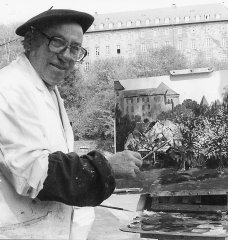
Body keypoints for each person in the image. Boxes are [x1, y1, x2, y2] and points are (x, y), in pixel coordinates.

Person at [0, 8, 142, 240]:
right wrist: (107, 166)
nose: (66, 55)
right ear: (32, 40)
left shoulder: (48, 91)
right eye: (58, 43)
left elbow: (59, 157)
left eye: (75, 48)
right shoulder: (9, 88)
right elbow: (35, 173)